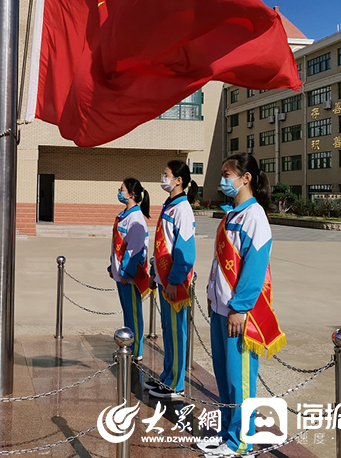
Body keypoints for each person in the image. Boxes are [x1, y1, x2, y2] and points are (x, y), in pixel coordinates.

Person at [199, 153, 286, 458]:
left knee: (241, 380)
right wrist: (212, 295)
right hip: (221, 308)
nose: (223, 180)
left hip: (239, 313)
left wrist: (239, 307)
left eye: (227, 174)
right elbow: (218, 264)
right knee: (223, 376)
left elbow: (254, 268)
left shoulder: (255, 217)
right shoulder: (231, 214)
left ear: (245, 178)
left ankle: (242, 441)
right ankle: (227, 433)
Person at [143, 160, 197, 401]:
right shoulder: (170, 205)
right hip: (165, 280)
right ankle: (167, 375)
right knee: (168, 330)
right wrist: (156, 275)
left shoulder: (182, 209)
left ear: (178, 180)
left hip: (175, 282)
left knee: (176, 332)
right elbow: (163, 244)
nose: (162, 178)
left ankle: (176, 384)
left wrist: (174, 280)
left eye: (166, 175)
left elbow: (185, 250)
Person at [107, 177, 151, 361]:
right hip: (120, 274)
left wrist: (126, 272)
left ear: (131, 194)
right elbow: (117, 245)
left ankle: (136, 350)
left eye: (122, 189)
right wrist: (113, 266)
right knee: (127, 312)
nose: (119, 192)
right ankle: (128, 346)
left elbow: (135, 250)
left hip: (130, 276)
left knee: (134, 313)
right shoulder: (124, 215)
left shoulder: (136, 218)